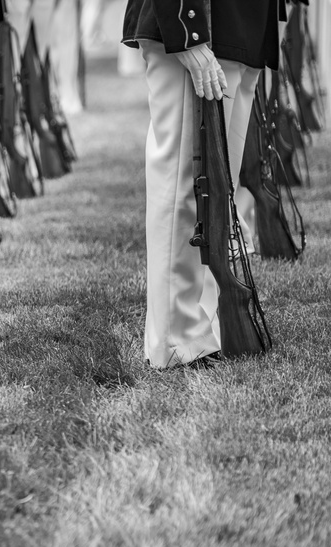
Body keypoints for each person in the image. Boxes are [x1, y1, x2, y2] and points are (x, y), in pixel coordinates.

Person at [122, 0, 284, 368]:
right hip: (202, 24)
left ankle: (203, 327)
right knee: (184, 189)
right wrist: (187, 27)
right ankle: (177, 339)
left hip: (243, 25)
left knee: (215, 200)